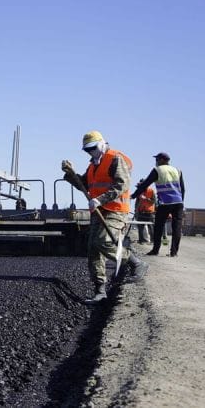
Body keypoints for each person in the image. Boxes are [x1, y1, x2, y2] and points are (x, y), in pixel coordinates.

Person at [61, 130, 149, 304]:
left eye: (93, 148)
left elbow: (122, 184)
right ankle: (100, 290)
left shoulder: (115, 159)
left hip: (116, 210)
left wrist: (99, 200)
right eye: (87, 150)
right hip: (99, 211)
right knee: (93, 249)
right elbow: (84, 184)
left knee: (102, 242)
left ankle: (136, 263)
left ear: (102, 143)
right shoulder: (93, 165)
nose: (90, 151)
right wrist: (70, 174)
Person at [132, 152, 185, 257]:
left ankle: (155, 250)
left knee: (158, 227)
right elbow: (183, 189)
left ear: (162, 160)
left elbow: (145, 184)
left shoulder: (157, 170)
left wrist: (134, 195)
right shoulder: (177, 170)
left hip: (165, 202)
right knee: (176, 228)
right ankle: (174, 252)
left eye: (157, 159)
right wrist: (181, 201)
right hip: (178, 203)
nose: (156, 162)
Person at [134, 179, 157, 244]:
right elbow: (137, 202)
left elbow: (154, 201)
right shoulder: (139, 192)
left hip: (149, 213)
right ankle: (141, 240)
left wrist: (146, 199)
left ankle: (153, 240)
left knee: (151, 227)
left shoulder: (151, 191)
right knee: (140, 227)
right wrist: (136, 211)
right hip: (141, 212)